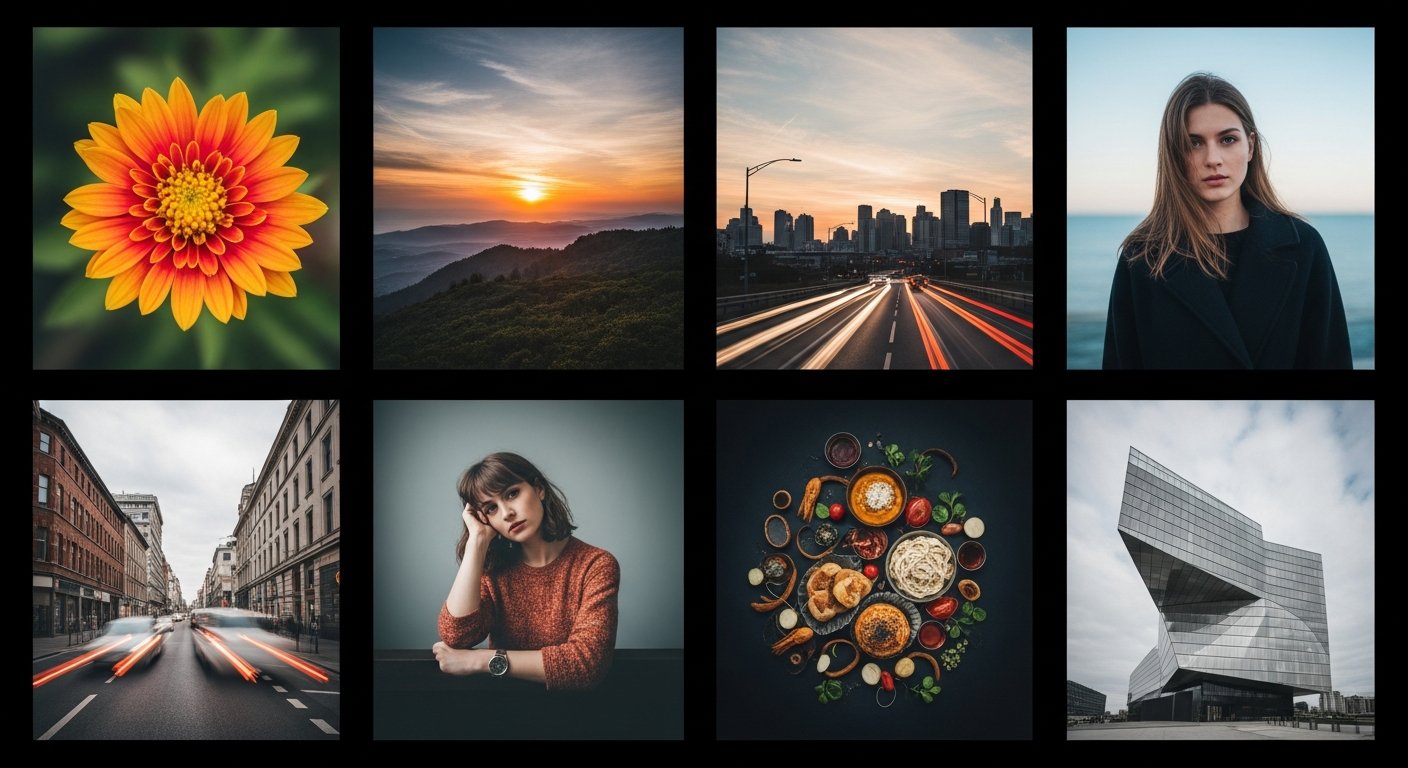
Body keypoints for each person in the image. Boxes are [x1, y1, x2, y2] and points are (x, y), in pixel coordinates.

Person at [1104, 72, 1351, 369]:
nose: (1213, 159)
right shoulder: (1141, 258)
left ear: (1250, 146)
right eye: (1193, 143)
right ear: (1173, 154)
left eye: (1227, 139)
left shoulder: (1304, 247)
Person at [432, 452, 619, 691]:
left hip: (575, 715)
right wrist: (477, 541)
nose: (507, 513)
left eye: (512, 494)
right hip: (502, 712)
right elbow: (456, 635)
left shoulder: (595, 565)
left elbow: (584, 664)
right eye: (491, 509)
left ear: (538, 489)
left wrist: (480, 660)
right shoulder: (495, 572)